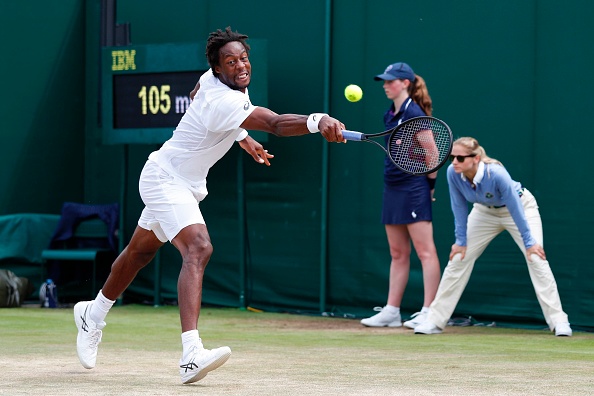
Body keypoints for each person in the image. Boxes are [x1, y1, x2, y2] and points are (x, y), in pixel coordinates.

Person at [73, 26, 347, 384]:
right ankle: (191, 355)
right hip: (164, 178)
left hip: (183, 183)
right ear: (219, 69)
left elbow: (196, 91)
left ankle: (92, 314)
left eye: (243, 59)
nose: (240, 66)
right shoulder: (225, 100)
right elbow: (278, 125)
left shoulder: (212, 83)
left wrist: (242, 136)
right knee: (199, 247)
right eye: (230, 62)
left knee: (139, 253)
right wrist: (317, 120)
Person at [414, 137, 572, 336]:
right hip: (484, 212)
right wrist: (460, 241)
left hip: (520, 209)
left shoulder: (496, 173)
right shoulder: (453, 173)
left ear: (476, 158)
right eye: (451, 158)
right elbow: (458, 206)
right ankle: (434, 321)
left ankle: (559, 322)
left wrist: (529, 242)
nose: (454, 162)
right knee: (458, 258)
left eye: (460, 158)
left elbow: (515, 206)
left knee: (536, 258)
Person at [360, 62, 441, 329]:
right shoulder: (390, 114)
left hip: (414, 186)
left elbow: (432, 154)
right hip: (392, 185)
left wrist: (429, 187)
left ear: (405, 83)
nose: (385, 85)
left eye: (390, 81)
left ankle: (431, 311)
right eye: (383, 81)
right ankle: (392, 311)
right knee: (397, 252)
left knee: (425, 252)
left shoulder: (415, 113)